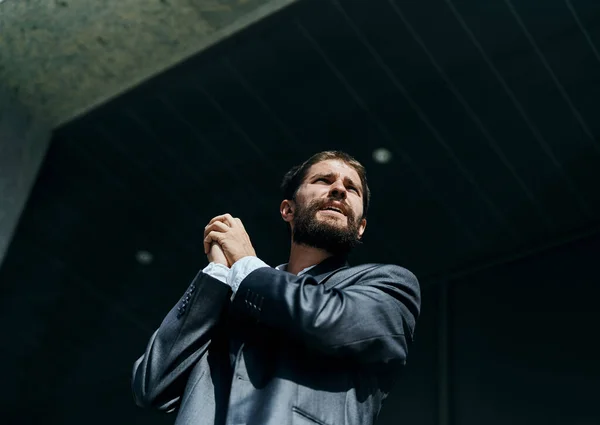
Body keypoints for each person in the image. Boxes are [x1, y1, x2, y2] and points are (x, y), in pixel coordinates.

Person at [131, 150, 421, 425]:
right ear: (288, 209)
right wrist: (218, 274)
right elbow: (152, 387)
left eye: (351, 188)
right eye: (323, 180)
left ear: (360, 227)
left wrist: (245, 263)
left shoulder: (390, 286)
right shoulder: (229, 299)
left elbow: (330, 320)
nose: (339, 190)